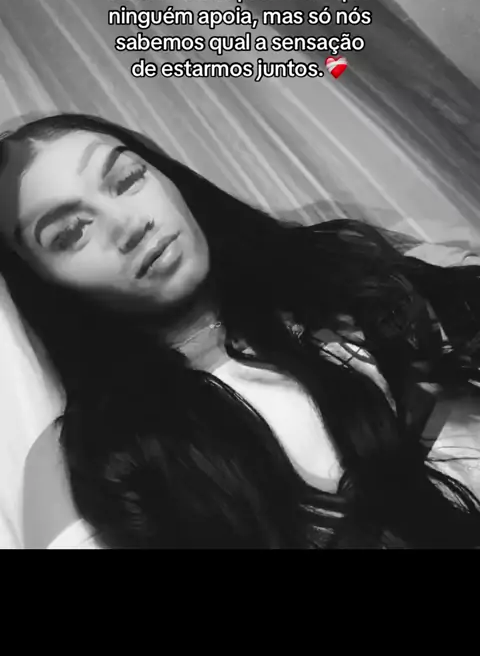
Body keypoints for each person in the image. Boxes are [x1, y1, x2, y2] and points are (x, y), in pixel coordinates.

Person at [1, 113, 480, 550]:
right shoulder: (91, 457)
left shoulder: (338, 265)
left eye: (127, 179)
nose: (129, 225)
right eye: (70, 233)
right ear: (42, 283)